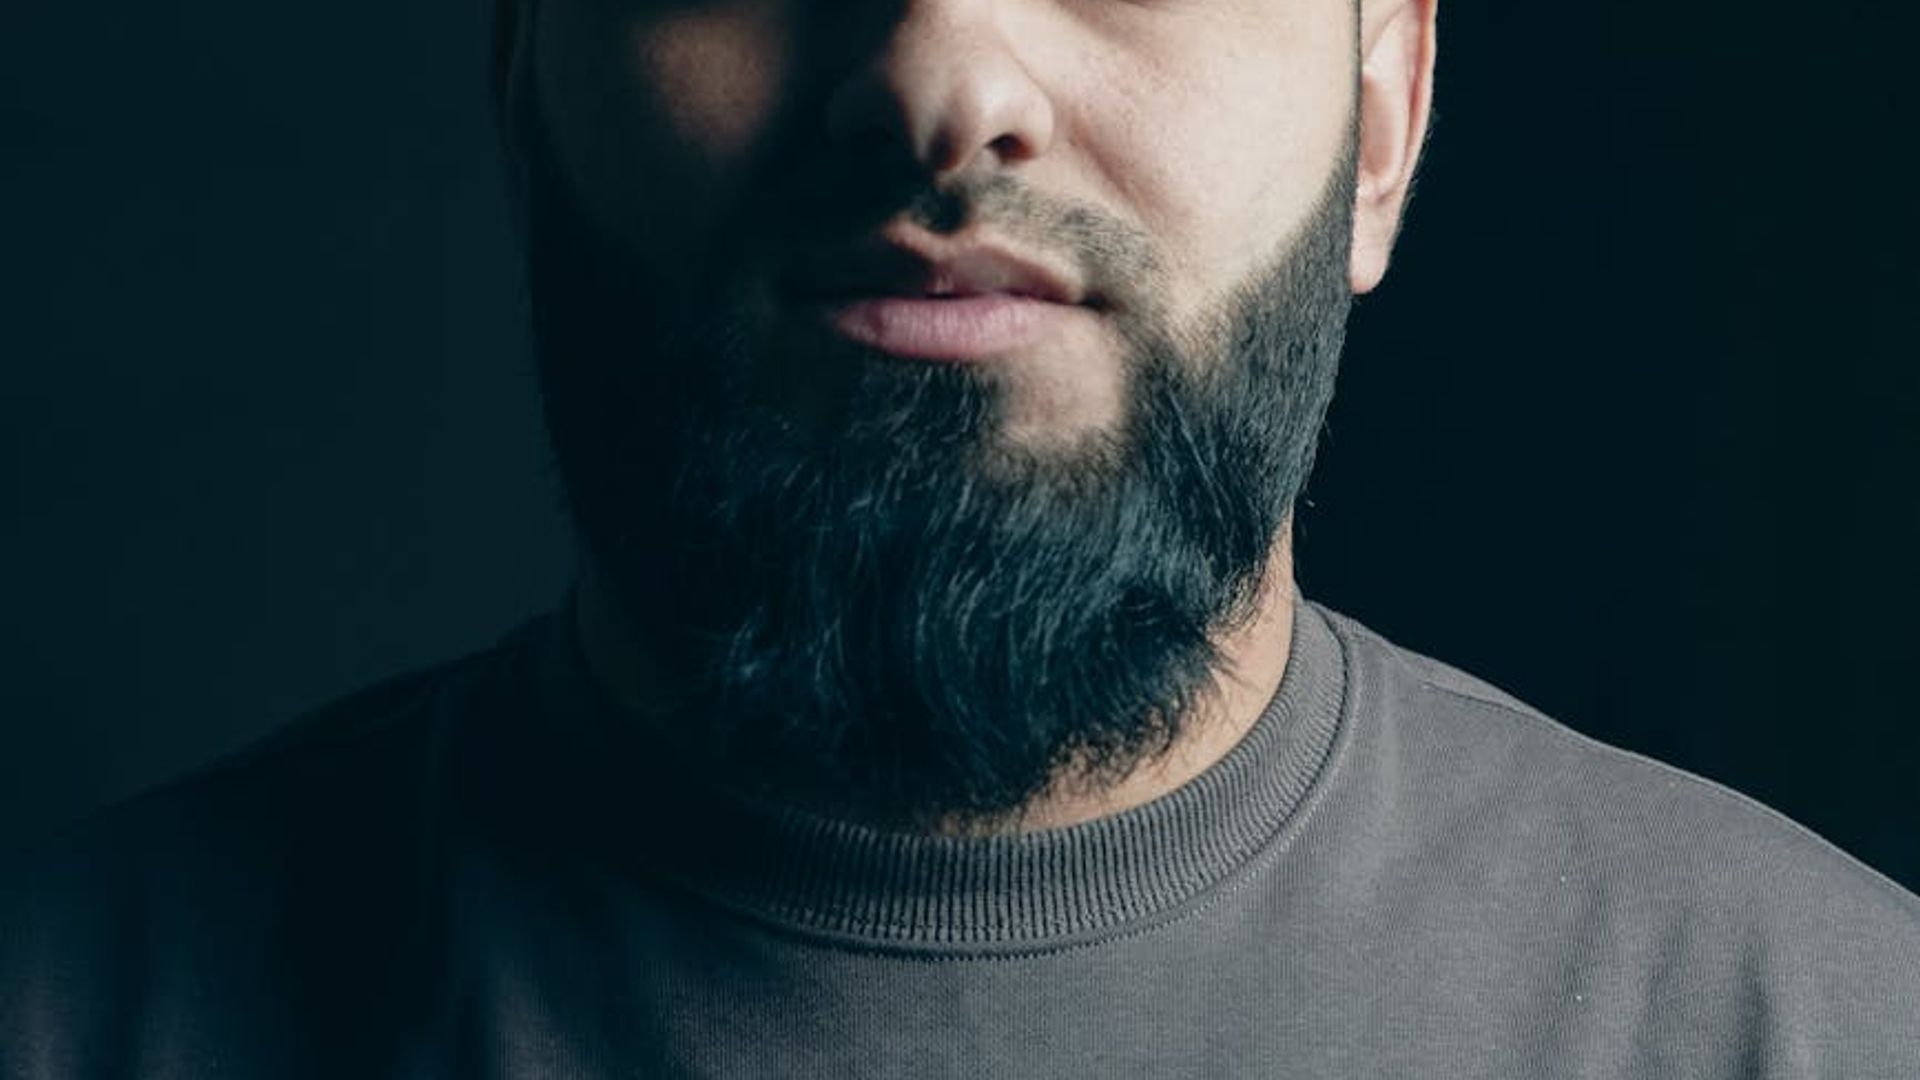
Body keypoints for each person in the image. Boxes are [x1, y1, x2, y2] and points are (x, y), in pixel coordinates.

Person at [4, 0, 1917, 1073]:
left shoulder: (1826, 1036)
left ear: (1386, 110)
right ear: (521, 76)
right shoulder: (68, 1015)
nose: (947, 77)